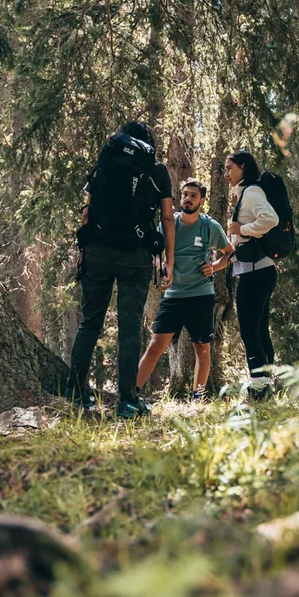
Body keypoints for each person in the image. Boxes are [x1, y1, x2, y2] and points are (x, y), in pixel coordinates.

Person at [66, 121, 175, 418]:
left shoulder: (106, 162)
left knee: (90, 321)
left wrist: (84, 250)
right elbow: (167, 218)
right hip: (135, 257)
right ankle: (128, 400)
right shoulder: (157, 170)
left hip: (97, 252)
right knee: (129, 327)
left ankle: (75, 390)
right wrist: (169, 262)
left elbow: (87, 213)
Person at [136, 178, 233, 400]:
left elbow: (230, 252)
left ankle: (197, 397)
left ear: (202, 200)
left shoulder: (210, 226)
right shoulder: (169, 224)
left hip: (200, 295)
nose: (187, 199)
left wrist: (215, 267)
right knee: (155, 346)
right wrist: (163, 268)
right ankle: (132, 394)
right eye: (185, 194)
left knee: (203, 349)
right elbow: (155, 253)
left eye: (193, 196)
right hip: (173, 296)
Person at [224, 151, 279, 396]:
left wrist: (242, 229)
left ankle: (259, 387)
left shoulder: (251, 192)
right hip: (260, 271)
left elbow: (271, 218)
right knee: (259, 331)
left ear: (243, 168)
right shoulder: (246, 193)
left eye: (229, 168)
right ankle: (266, 385)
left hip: (256, 273)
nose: (226, 174)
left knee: (249, 331)